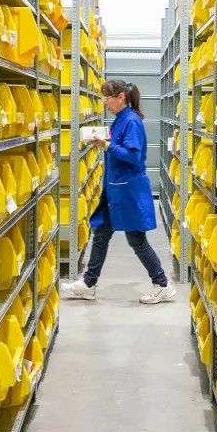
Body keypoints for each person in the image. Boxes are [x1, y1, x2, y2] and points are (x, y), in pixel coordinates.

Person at [60, 79, 176, 304]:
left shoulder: (131, 121)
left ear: (120, 97)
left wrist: (106, 145)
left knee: (137, 240)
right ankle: (88, 283)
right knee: (101, 233)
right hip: (115, 189)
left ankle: (162, 284)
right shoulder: (120, 119)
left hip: (127, 190)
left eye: (107, 98)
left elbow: (133, 156)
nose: (105, 103)